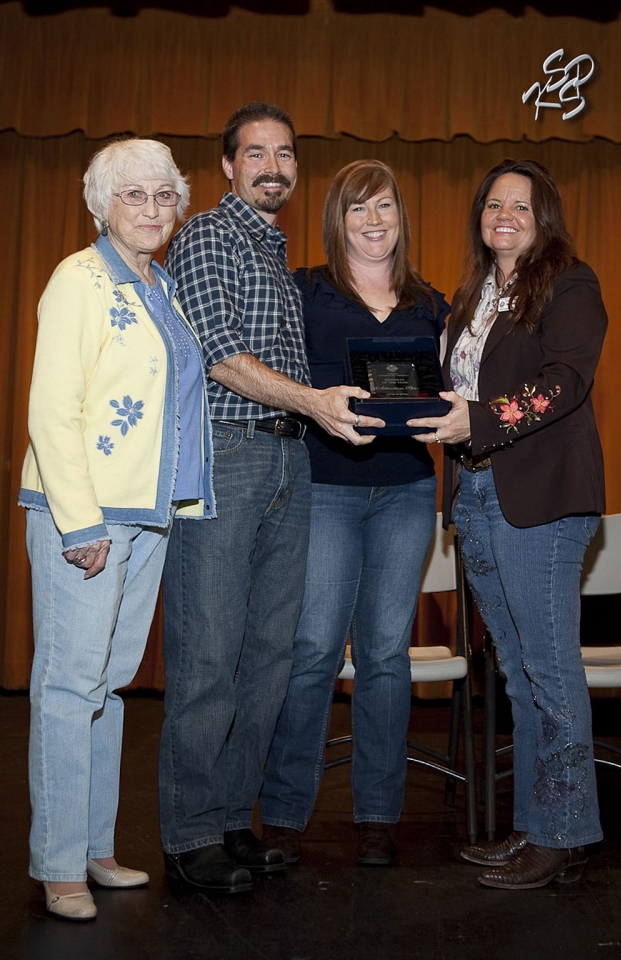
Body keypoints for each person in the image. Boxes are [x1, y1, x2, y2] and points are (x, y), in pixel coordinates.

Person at [159, 103, 383, 895]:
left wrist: (324, 411)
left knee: (269, 660)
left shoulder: (276, 244)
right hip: (227, 458)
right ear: (226, 166)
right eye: (255, 154)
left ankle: (226, 820)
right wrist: (318, 401)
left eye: (284, 154)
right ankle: (187, 834)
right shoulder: (206, 235)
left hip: (290, 465)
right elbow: (220, 355)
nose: (272, 167)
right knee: (209, 654)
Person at [19, 138, 215, 920]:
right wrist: (79, 521)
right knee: (68, 687)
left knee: (107, 689)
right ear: (100, 204)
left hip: (148, 515)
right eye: (132, 195)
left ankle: (95, 847)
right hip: (88, 517)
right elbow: (51, 408)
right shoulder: (80, 277)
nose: (151, 209)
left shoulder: (159, 284)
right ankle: (58, 863)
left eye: (163, 195)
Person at [410, 158, 607, 889]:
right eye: (494, 204)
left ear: (543, 218)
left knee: (551, 673)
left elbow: (564, 383)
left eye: (520, 206)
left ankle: (562, 834)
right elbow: (453, 391)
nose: (505, 216)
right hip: (477, 498)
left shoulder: (570, 284)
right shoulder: (472, 298)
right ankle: (535, 826)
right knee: (519, 678)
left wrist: (481, 418)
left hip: (542, 502)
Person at [259, 159, 448, 866]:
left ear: (402, 217)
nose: (373, 222)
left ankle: (377, 815)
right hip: (327, 488)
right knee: (311, 651)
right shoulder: (305, 289)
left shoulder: (432, 303)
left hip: (405, 491)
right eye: (357, 210)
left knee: (384, 657)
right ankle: (282, 814)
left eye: (386, 209)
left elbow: (455, 395)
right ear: (337, 220)